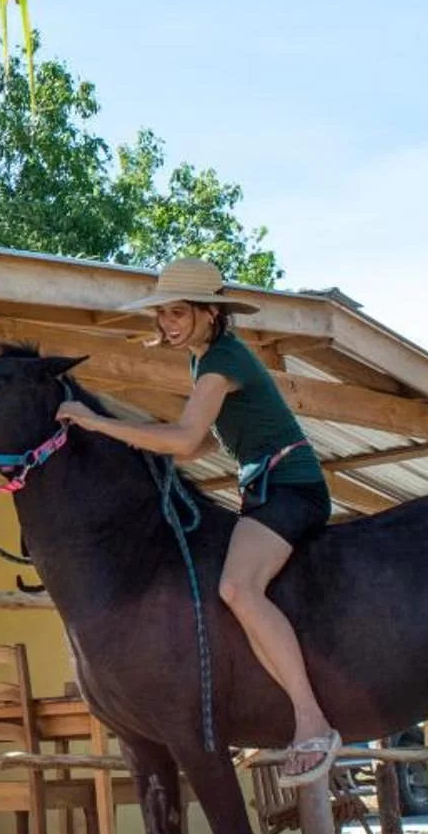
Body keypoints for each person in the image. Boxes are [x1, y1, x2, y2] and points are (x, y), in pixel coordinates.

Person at [54, 258, 340, 785]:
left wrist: (98, 423)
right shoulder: (204, 361)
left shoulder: (221, 359)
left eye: (179, 312)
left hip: (290, 490)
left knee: (237, 587)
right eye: (163, 313)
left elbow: (185, 440)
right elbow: (204, 440)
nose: (168, 322)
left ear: (211, 313)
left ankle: (311, 719)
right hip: (264, 489)